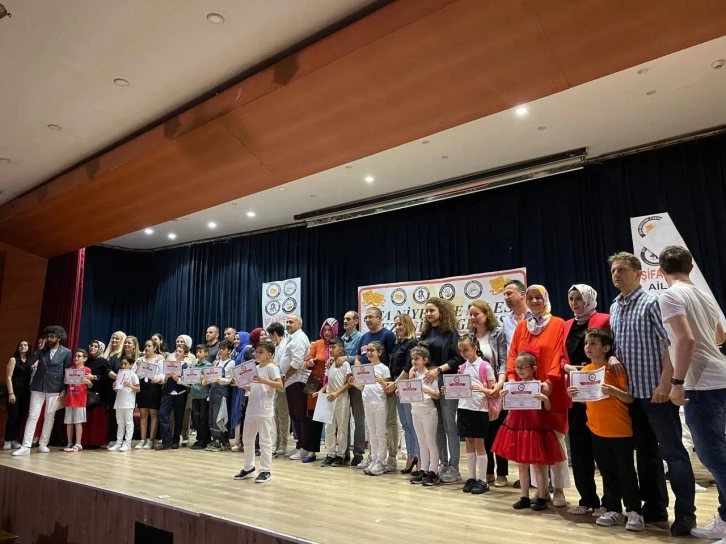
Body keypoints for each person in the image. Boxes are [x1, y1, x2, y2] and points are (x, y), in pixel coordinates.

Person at [608, 251, 696, 535]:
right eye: (614, 270)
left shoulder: (652, 302)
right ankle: (655, 507)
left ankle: (686, 515)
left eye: (622, 269)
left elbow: (670, 343)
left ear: (639, 274)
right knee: (646, 455)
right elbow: (616, 346)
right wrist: (612, 356)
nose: (617, 274)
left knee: (673, 454)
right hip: (630, 395)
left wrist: (665, 383)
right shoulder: (614, 307)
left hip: (656, 393)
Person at [656, 246, 726, 541]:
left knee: (714, 456)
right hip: (719, 377)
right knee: (718, 453)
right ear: (691, 267)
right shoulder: (704, 295)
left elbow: (685, 339)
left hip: (701, 383)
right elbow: (720, 336)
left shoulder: (670, 295)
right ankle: (724, 518)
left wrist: (677, 381)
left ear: (660, 270)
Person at [567, 329, 643, 532]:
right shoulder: (585, 370)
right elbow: (587, 401)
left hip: (619, 430)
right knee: (607, 473)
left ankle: (634, 511)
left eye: (593, 343)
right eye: (586, 343)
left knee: (626, 472)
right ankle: (613, 509)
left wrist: (613, 391)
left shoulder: (615, 369)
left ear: (606, 348)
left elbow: (629, 398)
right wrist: (575, 394)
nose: (588, 347)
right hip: (596, 430)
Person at [507, 285, 569, 506]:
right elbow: (513, 355)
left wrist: (549, 381)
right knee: (531, 442)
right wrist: (512, 378)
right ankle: (540, 490)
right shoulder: (522, 326)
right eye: (531, 298)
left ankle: (559, 489)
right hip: (525, 394)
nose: (534, 301)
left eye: (538, 297)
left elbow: (560, 355)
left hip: (550, 391)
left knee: (555, 440)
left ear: (546, 299)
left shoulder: (558, 324)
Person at [494, 349, 565, 511]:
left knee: (538, 465)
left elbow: (548, 408)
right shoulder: (513, 386)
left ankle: (542, 497)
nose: (519, 370)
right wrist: (504, 396)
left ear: (533, 368)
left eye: (523, 367)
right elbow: (508, 406)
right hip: (517, 426)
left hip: (535, 426)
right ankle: (524, 496)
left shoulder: (539, 386)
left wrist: (545, 399)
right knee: (522, 465)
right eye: (517, 367)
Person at [561, 285, 610, 516]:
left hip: (599, 393)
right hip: (575, 393)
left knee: (603, 450)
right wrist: (566, 367)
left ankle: (610, 502)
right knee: (580, 451)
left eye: (579, 298)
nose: (575, 303)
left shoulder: (604, 319)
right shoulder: (566, 325)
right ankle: (587, 499)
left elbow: (612, 350)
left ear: (589, 299)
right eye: (571, 298)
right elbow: (560, 356)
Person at [419, 297, 463, 483]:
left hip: (446, 380)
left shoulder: (451, 333)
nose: (429, 314)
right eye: (426, 311)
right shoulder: (425, 333)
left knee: (450, 426)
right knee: (437, 426)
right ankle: (442, 464)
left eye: (432, 310)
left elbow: (457, 358)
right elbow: (420, 356)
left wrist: (438, 370)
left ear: (441, 312)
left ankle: (454, 467)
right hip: (429, 381)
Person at [447, 334, 496, 495]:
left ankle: (483, 479)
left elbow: (493, 391)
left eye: (466, 350)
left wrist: (482, 389)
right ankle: (472, 477)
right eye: (461, 350)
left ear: (475, 348)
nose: (463, 353)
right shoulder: (462, 367)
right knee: (468, 443)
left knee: (479, 444)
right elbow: (459, 388)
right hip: (464, 408)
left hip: (479, 409)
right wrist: (449, 390)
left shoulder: (485, 366)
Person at [13, 326, 73, 456]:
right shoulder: (42, 351)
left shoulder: (66, 352)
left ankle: (43, 443)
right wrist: (39, 350)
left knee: (49, 416)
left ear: (59, 337)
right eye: (48, 336)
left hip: (54, 387)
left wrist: (64, 389)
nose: (49, 339)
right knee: (33, 416)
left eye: (52, 336)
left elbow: (67, 371)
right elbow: (28, 363)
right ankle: (25, 446)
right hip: (38, 386)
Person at [468, 300, 508, 487]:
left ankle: (502, 473)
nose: (473, 318)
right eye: (470, 314)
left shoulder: (497, 333)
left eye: (476, 314)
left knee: (498, 432)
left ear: (486, 314)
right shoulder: (469, 336)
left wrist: (499, 385)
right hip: (477, 393)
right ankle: (488, 471)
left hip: (495, 389)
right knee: (483, 434)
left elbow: (503, 361)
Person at [233, 341, 283, 484]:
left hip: (264, 410)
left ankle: (266, 470)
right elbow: (252, 388)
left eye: (261, 352)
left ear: (269, 355)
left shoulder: (272, 368)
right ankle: (249, 467)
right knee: (247, 439)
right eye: (256, 351)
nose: (257, 354)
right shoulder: (254, 368)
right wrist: (240, 384)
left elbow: (280, 385)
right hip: (252, 408)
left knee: (265, 441)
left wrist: (264, 380)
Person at [356, 307, 398, 471]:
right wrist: (356, 377)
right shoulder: (364, 337)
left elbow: (392, 363)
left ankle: (386, 459)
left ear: (379, 318)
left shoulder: (388, 336)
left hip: (382, 398)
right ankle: (373, 458)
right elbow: (358, 359)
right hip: (368, 398)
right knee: (372, 432)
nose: (367, 320)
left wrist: (385, 383)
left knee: (385, 428)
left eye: (370, 317)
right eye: (365, 317)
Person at [350, 341, 392, 476]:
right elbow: (363, 387)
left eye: (372, 350)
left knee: (380, 433)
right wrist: (354, 384)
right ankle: (374, 459)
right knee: (372, 433)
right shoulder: (365, 368)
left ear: (379, 352)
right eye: (367, 350)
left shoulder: (384, 368)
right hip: (367, 403)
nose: (369, 353)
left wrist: (382, 382)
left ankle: (381, 461)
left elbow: (388, 389)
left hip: (379, 403)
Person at [301, 318, 338, 463]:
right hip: (315, 384)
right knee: (314, 418)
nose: (327, 332)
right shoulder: (317, 344)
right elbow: (307, 362)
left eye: (330, 330)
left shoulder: (338, 343)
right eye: (325, 330)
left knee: (333, 419)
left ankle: (335, 453)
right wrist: (309, 362)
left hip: (333, 385)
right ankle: (311, 451)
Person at [387, 314, 420, 474]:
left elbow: (408, 367)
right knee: (406, 424)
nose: (398, 327)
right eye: (396, 325)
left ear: (408, 325)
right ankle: (411, 455)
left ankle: (419, 458)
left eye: (400, 324)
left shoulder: (412, 342)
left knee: (412, 425)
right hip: (398, 386)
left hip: (406, 385)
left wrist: (395, 384)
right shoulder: (398, 343)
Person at [406, 343, 440, 486]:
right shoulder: (413, 375)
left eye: (417, 358)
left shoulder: (429, 376)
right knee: (421, 443)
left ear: (425, 360)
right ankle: (424, 469)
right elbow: (409, 391)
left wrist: (429, 391)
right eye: (412, 359)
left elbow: (437, 395)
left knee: (431, 443)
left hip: (428, 412)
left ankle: (434, 471)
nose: (414, 361)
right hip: (416, 411)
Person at [279, 315, 311, 460]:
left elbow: (297, 362)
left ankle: (305, 447)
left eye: (291, 322)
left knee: (300, 415)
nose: (288, 324)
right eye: (286, 322)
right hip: (291, 382)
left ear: (299, 324)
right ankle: (299, 445)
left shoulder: (299, 338)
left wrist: (285, 376)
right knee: (294, 415)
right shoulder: (292, 338)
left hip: (298, 381)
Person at [317, 337, 351, 467]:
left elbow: (349, 383)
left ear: (341, 349)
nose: (331, 350)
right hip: (329, 398)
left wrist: (337, 392)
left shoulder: (345, 364)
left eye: (334, 347)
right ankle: (330, 453)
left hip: (341, 398)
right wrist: (321, 391)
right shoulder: (329, 363)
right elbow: (328, 382)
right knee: (329, 428)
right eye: (329, 347)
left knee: (342, 428)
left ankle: (340, 454)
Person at [134, 340, 164, 450]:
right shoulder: (139, 360)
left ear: (154, 348)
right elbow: (133, 373)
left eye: (149, 346)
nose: (146, 348)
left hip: (154, 387)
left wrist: (158, 378)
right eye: (145, 346)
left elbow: (162, 374)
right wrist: (138, 367)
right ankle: (143, 440)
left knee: (153, 414)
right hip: (142, 387)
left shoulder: (159, 361)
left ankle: (151, 440)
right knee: (143, 414)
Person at [157, 345, 189, 450]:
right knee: (162, 413)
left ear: (185, 354)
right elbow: (163, 380)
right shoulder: (169, 365)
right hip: (169, 393)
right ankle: (167, 440)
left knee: (179, 417)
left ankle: (176, 440)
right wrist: (166, 377)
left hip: (180, 393)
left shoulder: (186, 367)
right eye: (177, 351)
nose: (177, 353)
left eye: (180, 351)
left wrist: (178, 380)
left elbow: (188, 383)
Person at [206, 339, 236, 451]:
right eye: (220, 348)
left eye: (223, 349)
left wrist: (223, 380)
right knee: (211, 416)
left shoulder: (231, 363)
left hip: (222, 392)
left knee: (219, 416)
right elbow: (210, 375)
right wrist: (206, 379)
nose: (220, 351)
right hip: (213, 390)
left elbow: (232, 380)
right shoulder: (216, 362)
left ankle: (221, 441)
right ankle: (215, 440)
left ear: (229, 351)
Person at [266, 323, 290, 456]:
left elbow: (285, 364)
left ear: (274, 334)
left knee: (283, 415)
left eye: (270, 335)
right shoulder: (276, 347)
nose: (270, 338)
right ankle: (276, 442)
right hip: (275, 384)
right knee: (274, 415)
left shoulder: (286, 345)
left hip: (284, 384)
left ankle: (283, 443)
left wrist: (276, 364)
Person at [63, 349, 93, 453]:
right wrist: (65, 380)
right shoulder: (70, 369)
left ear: (85, 358)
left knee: (78, 422)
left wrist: (88, 382)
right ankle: (69, 442)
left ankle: (78, 443)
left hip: (80, 399)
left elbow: (90, 385)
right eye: (75, 356)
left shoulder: (87, 370)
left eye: (79, 356)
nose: (76, 358)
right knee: (69, 422)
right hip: (70, 398)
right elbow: (66, 383)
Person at [3, 340, 31, 450]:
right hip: (14, 391)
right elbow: (8, 377)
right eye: (21, 345)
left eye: (25, 345)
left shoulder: (29, 361)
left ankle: (15, 439)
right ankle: (7, 440)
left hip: (25, 392)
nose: (23, 346)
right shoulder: (13, 359)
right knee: (13, 416)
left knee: (20, 417)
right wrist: (11, 393)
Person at [108, 355, 140, 452]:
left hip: (128, 402)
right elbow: (118, 390)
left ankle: (127, 443)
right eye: (122, 364)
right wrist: (114, 386)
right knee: (120, 423)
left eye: (125, 364)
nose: (123, 366)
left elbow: (138, 389)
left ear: (131, 365)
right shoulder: (119, 374)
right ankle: (119, 442)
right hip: (119, 401)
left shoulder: (133, 375)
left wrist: (130, 385)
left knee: (128, 422)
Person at [83, 340, 109, 447]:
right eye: (91, 345)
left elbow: (106, 377)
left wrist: (94, 377)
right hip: (84, 392)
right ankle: (84, 441)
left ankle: (95, 442)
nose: (92, 348)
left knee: (96, 418)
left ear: (100, 349)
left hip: (98, 394)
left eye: (95, 346)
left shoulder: (104, 362)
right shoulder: (86, 360)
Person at [190, 344, 212, 450]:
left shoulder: (209, 366)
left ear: (206, 353)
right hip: (194, 395)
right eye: (197, 352)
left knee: (203, 418)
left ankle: (205, 439)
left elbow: (212, 380)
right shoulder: (193, 366)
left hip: (204, 395)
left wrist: (205, 379)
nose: (198, 354)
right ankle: (199, 438)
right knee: (196, 418)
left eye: (200, 352)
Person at [502, 280, 531, 348]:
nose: (505, 297)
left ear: (522, 294)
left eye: (509, 293)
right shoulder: (506, 320)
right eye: (504, 295)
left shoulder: (535, 316)